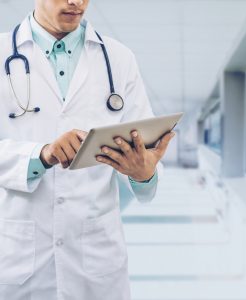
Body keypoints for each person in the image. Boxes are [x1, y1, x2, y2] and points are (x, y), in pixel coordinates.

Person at [0, 0, 175, 299]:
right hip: (20, 258)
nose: (76, 2)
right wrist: (41, 155)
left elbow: (146, 167)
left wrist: (144, 174)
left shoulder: (118, 59)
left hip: (97, 260)